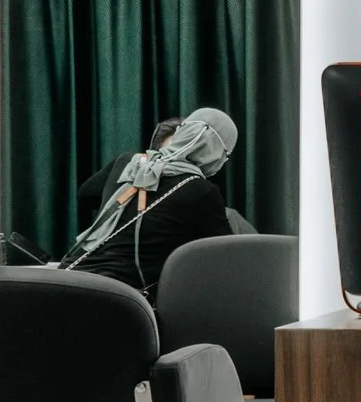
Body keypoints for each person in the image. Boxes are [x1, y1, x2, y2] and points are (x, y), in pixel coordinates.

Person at [63, 106, 238, 300]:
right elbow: (226, 257)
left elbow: (86, 195)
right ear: (218, 154)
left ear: (182, 131)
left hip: (65, 279)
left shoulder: (127, 162)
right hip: (115, 297)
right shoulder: (201, 191)